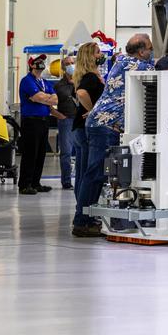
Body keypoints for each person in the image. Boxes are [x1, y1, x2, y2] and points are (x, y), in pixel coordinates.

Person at [73, 34, 155, 238]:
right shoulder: (134, 65)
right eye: (151, 48)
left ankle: (88, 217)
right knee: (94, 173)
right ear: (142, 51)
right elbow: (162, 71)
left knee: (95, 173)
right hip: (103, 126)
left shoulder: (123, 61)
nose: (152, 53)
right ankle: (82, 221)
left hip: (102, 125)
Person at [70, 42, 104, 230]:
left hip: (79, 128)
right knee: (89, 173)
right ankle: (83, 214)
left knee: (83, 173)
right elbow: (81, 93)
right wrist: (93, 111)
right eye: (98, 52)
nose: (101, 55)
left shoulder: (86, 75)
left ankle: (82, 210)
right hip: (85, 128)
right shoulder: (91, 77)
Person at [18, 55, 59, 195]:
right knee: (30, 153)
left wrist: (43, 98)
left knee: (41, 153)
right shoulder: (27, 81)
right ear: (32, 65)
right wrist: (44, 97)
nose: (41, 64)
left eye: (42, 61)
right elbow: (38, 97)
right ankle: (25, 184)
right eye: (38, 62)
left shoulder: (45, 82)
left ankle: (35, 183)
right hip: (31, 120)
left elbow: (55, 99)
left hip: (43, 119)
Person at [52, 55, 79, 190]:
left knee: (81, 151)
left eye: (72, 63)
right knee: (66, 152)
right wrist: (58, 115)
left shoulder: (80, 82)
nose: (70, 66)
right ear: (63, 68)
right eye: (67, 64)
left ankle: (81, 179)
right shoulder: (58, 86)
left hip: (80, 120)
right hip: (66, 120)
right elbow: (50, 103)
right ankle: (66, 181)